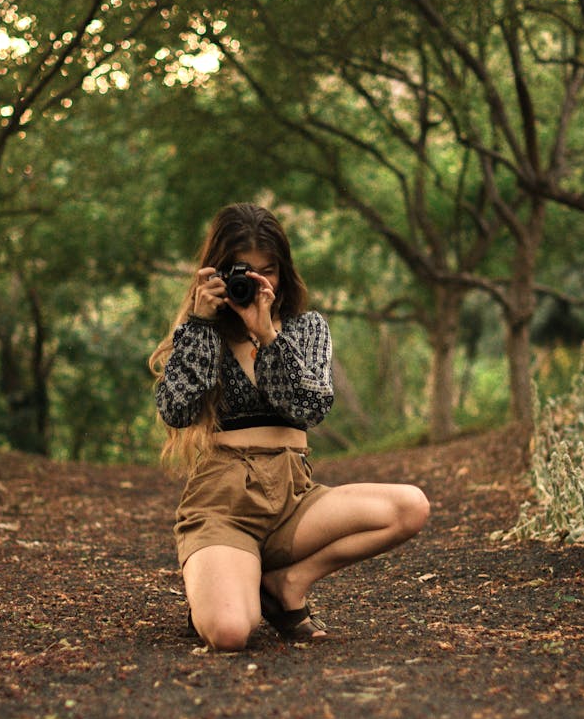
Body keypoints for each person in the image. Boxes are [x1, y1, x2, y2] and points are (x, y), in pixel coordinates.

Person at [150, 202, 429, 651]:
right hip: (224, 503)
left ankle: (286, 583)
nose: (258, 282)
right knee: (229, 634)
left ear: (283, 271)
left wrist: (267, 337)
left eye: (269, 270)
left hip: (294, 499)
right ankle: (223, 581)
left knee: (410, 506)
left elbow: (309, 407)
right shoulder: (201, 332)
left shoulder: (305, 328)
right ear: (217, 271)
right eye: (244, 270)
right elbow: (177, 411)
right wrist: (201, 325)